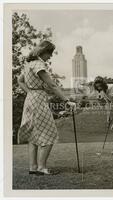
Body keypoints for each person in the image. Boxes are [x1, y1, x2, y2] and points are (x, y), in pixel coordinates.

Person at [17, 40, 76, 175]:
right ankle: (42, 168)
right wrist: (67, 101)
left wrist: (30, 92)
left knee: (33, 134)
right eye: (49, 53)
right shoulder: (38, 64)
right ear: (43, 52)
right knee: (51, 133)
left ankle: (33, 167)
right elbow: (53, 85)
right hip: (38, 101)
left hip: (30, 99)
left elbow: (19, 80)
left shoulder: (29, 64)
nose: (50, 56)